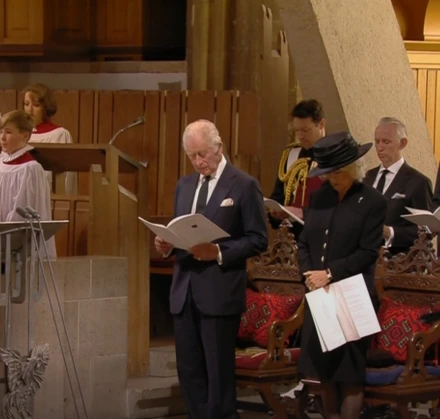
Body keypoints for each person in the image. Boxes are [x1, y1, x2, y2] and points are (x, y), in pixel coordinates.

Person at [154, 120, 268, 419]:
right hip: (184, 289)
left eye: (202, 154)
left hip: (219, 291)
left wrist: (218, 251)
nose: (198, 162)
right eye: (192, 156)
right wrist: (167, 245)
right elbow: (181, 231)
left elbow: (258, 239)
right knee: (189, 371)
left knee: (218, 373)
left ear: (219, 147)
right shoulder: (185, 185)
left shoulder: (243, 185)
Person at [298, 132, 387, 419]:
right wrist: (309, 275)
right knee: (324, 372)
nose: (332, 179)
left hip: (351, 295)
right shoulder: (319, 196)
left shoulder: (372, 201)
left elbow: (367, 252)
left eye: (337, 173)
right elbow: (304, 242)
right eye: (328, 174)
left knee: (348, 374)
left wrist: (329, 273)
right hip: (319, 296)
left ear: (353, 167)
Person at [0, 110, 56, 259]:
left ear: (25, 135)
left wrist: (4, 238)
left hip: (14, 246)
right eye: (1, 131)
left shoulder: (30, 169)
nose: (2, 137)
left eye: (8, 132)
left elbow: (22, 210)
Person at [363, 117, 433, 256]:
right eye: (377, 141)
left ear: (402, 143)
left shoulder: (418, 182)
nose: (380, 147)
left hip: (398, 264)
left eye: (386, 142)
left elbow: (427, 231)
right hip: (362, 262)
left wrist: (390, 232)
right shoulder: (366, 178)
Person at [269, 99, 326, 237]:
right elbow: (279, 194)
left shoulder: (334, 155)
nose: (300, 136)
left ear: (321, 124)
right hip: (292, 236)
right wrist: (275, 212)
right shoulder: (291, 155)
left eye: (305, 130)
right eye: (297, 130)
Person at [23, 83, 76, 194]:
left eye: (36, 105)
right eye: (26, 104)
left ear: (46, 107)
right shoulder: (20, 134)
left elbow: (66, 176)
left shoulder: (59, 134)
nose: (29, 109)